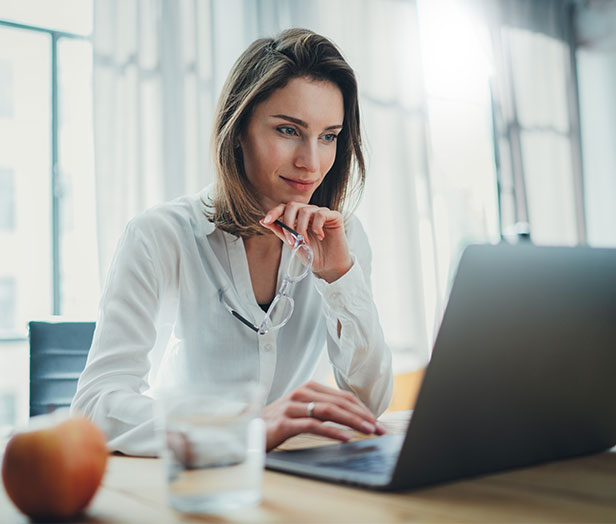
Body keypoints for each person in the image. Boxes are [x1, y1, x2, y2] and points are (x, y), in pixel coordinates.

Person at [71, 28, 393, 456]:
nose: (311, 163)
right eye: (288, 130)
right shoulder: (159, 234)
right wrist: (242, 428)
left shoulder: (342, 238)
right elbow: (96, 406)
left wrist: (339, 278)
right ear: (238, 129)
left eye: (329, 136)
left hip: (297, 479)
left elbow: (368, 403)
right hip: (191, 477)